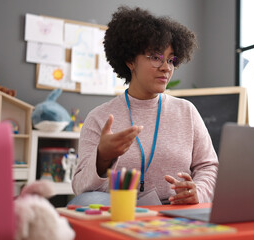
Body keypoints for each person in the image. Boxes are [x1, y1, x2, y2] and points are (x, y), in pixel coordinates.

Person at [70, 6, 218, 206]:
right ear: (130, 61)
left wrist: (197, 192)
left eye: (171, 59)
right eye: (156, 57)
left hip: (175, 206)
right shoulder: (99, 117)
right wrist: (102, 158)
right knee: (83, 202)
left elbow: (209, 167)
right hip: (119, 206)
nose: (166, 67)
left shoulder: (186, 111)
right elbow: (79, 187)